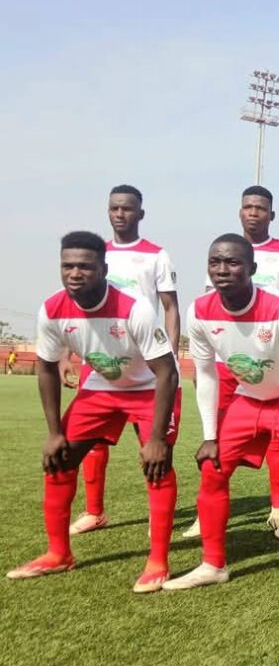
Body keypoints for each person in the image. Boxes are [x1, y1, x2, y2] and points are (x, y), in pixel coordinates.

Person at [7, 231, 179, 592]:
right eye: (67, 266)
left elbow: (167, 372)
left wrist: (157, 439)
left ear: (103, 269)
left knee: (157, 465)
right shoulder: (52, 309)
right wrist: (54, 433)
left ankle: (158, 562)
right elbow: (46, 369)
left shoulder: (134, 308)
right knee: (58, 459)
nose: (75, 273)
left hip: (150, 387)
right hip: (102, 387)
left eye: (85, 266)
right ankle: (58, 554)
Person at [163, 234, 279, 606]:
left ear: (252, 268)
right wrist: (210, 435)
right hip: (248, 399)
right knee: (212, 469)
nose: (222, 269)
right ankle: (213, 564)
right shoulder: (200, 310)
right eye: (215, 262)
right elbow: (206, 374)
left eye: (233, 262)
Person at [184, 185, 279, 540]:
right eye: (248, 207)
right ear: (240, 212)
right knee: (215, 439)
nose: (253, 212)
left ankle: (278, 510)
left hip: (270, 358)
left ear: (272, 214)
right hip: (227, 362)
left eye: (260, 208)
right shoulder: (223, 251)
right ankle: (207, 513)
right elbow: (210, 303)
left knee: (277, 439)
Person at [63, 184, 180, 536]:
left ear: (140, 213)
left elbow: (170, 308)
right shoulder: (95, 254)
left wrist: (170, 354)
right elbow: (77, 307)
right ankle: (94, 511)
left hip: (145, 361)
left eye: (127, 208)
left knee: (153, 440)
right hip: (101, 359)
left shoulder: (156, 255)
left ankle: (158, 515)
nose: (120, 213)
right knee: (93, 439)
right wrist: (69, 353)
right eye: (114, 208)